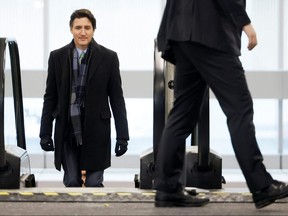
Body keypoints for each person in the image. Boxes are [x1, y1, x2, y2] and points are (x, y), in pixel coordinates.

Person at [154, 0, 288, 208]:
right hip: (210, 31)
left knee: (183, 114)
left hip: (180, 33)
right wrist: (245, 22)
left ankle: (167, 189)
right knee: (240, 108)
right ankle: (262, 186)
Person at [39, 9, 129, 187]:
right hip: (67, 130)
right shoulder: (57, 57)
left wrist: (123, 137)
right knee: (72, 181)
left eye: (87, 27)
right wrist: (45, 133)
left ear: (93, 30)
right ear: (71, 30)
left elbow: (117, 99)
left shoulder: (108, 58)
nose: (83, 32)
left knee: (94, 184)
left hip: (97, 130)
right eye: (78, 27)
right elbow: (50, 98)